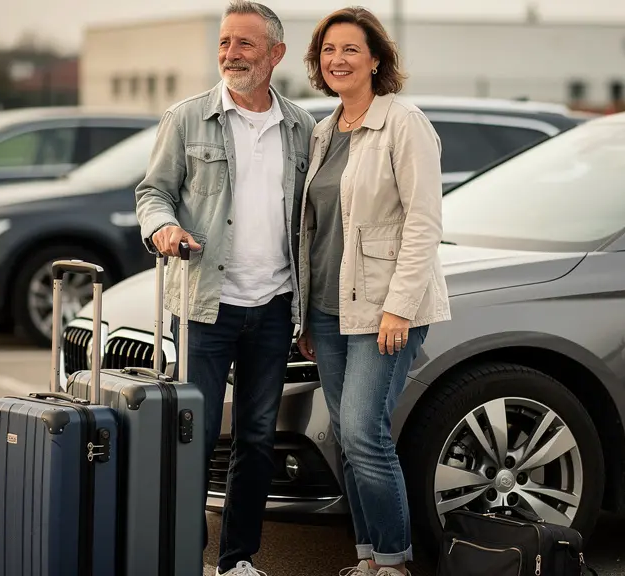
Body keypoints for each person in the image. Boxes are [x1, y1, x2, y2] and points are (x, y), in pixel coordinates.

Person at [134, 1, 316, 575]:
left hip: (274, 305)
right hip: (204, 307)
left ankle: (237, 562)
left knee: (258, 439)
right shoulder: (186, 118)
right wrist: (162, 227)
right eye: (224, 43)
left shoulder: (301, 127)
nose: (231, 54)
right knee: (195, 437)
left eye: (245, 44)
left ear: (275, 54)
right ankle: (184, 559)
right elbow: (152, 192)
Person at [294, 7, 451, 576]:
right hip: (330, 312)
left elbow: (423, 224)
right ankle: (368, 559)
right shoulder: (321, 132)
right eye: (328, 50)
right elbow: (315, 231)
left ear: (376, 59)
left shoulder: (404, 123)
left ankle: (394, 561)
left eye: (350, 50)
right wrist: (307, 317)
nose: (337, 60)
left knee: (364, 433)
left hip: (386, 311)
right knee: (346, 437)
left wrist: (399, 309)